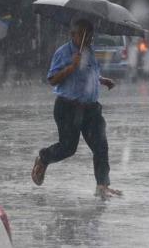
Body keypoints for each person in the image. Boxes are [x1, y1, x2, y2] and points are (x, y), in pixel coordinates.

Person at [31, 18, 122, 199]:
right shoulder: (63, 53)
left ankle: (102, 186)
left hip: (91, 109)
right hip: (68, 108)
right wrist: (71, 67)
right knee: (68, 148)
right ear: (74, 34)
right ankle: (44, 157)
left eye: (90, 35)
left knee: (101, 146)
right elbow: (52, 79)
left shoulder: (90, 51)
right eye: (84, 35)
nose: (88, 39)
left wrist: (102, 80)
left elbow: (90, 73)